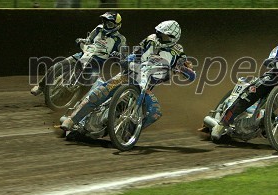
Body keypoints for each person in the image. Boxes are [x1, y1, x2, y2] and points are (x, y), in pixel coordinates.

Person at [60, 20, 196, 131]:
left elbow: (187, 71)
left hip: (145, 87)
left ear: (173, 38)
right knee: (102, 91)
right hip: (128, 74)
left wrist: (185, 71)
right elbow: (136, 53)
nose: (160, 37)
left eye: (164, 36)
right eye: (159, 33)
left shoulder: (178, 52)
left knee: (155, 112)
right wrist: (124, 59)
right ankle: (72, 119)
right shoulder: (150, 40)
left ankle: (127, 132)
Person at [30, 12, 127, 96]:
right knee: (56, 67)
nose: (106, 25)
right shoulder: (98, 29)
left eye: (109, 24)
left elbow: (124, 56)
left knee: (89, 89)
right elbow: (88, 40)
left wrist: (118, 55)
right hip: (85, 54)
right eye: (104, 22)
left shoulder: (120, 39)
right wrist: (81, 41)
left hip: (97, 63)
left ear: (117, 26)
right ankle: (41, 87)